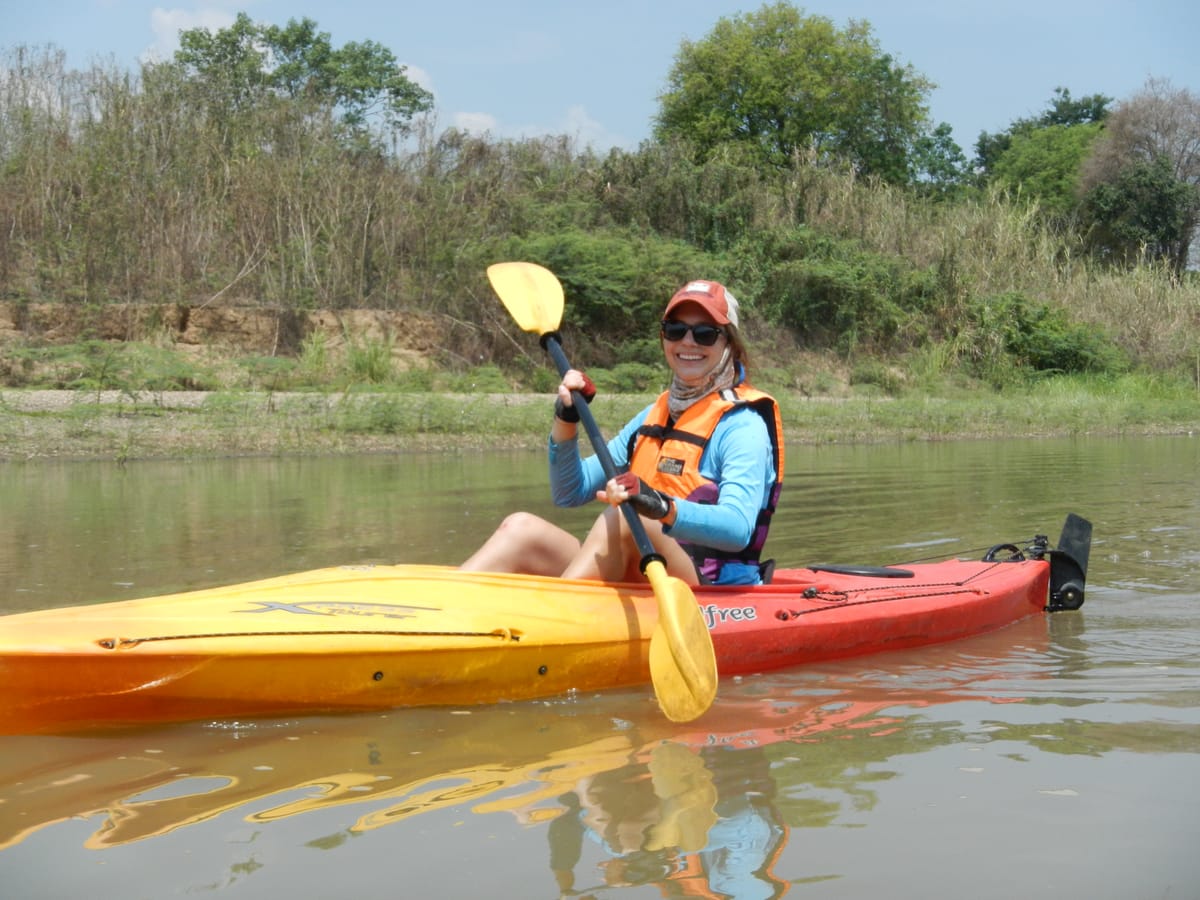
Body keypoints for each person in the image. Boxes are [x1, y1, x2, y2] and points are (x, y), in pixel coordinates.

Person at [461, 279, 784, 586]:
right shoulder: (653, 417)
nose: (688, 342)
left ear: (730, 344)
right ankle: (439, 610)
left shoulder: (743, 425)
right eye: (675, 330)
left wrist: (659, 506)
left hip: (709, 589)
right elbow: (570, 491)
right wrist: (567, 418)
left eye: (705, 334)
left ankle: (555, 613)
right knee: (521, 529)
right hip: (648, 571)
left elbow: (738, 528)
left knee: (626, 518)